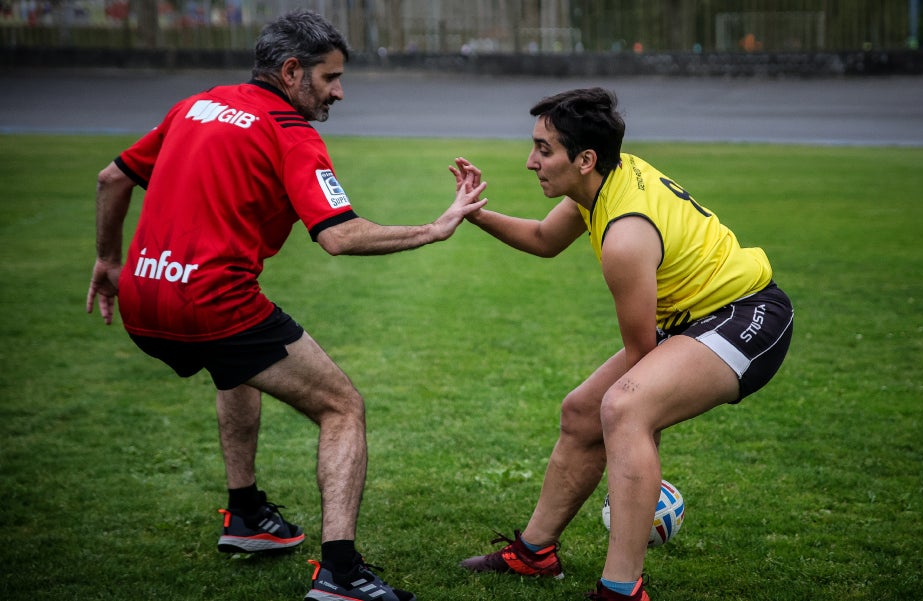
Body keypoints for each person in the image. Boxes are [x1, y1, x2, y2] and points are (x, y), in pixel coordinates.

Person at [86, 10, 486, 601]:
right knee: (342, 406)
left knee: (239, 366)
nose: (339, 91)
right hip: (212, 302)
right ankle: (342, 574)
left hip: (144, 298)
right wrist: (434, 228)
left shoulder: (195, 105)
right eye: (329, 78)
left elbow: (110, 179)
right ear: (291, 71)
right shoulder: (290, 131)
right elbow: (339, 235)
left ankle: (246, 515)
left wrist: (107, 262)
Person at [453, 88, 793, 600]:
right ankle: (535, 553)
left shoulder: (626, 237)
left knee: (623, 407)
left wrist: (641, 449)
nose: (531, 162)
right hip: (694, 319)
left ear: (585, 159)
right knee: (581, 413)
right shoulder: (606, 179)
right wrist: (475, 214)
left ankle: (620, 590)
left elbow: (641, 363)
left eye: (544, 149)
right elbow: (545, 241)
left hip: (746, 316)